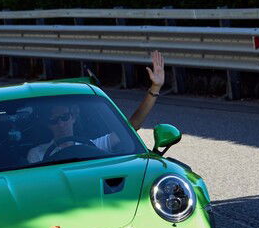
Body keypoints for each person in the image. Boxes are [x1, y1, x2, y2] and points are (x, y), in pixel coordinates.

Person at [27, 50, 165, 163]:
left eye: (64, 117)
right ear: (47, 124)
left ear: (73, 117)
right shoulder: (37, 154)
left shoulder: (93, 145)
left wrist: (155, 87)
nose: (61, 124)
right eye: (54, 120)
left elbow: (132, 126)